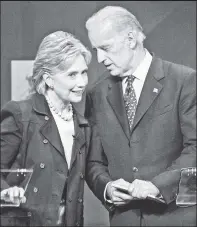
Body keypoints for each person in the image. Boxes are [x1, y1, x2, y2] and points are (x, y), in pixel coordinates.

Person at [85, 5, 196, 226]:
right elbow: (93, 160)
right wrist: (106, 188)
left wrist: (157, 186)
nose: (99, 58)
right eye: (96, 49)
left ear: (130, 39)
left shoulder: (183, 81)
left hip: (175, 218)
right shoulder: (96, 95)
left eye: (105, 47)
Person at [0, 31, 92, 226]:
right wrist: (6, 191)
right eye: (72, 75)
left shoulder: (82, 123)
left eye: (84, 72)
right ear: (49, 79)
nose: (82, 82)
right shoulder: (20, 115)